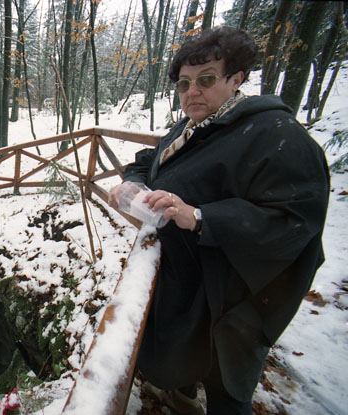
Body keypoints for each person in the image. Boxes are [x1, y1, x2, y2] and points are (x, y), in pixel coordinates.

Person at [108, 27, 329, 414]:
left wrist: (199, 216)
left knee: (227, 382)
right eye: (184, 84)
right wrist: (132, 184)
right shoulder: (192, 126)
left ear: (236, 79)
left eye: (206, 79)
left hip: (233, 294)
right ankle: (181, 395)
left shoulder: (277, 135)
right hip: (188, 279)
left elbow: (293, 219)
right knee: (186, 355)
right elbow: (150, 160)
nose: (192, 92)